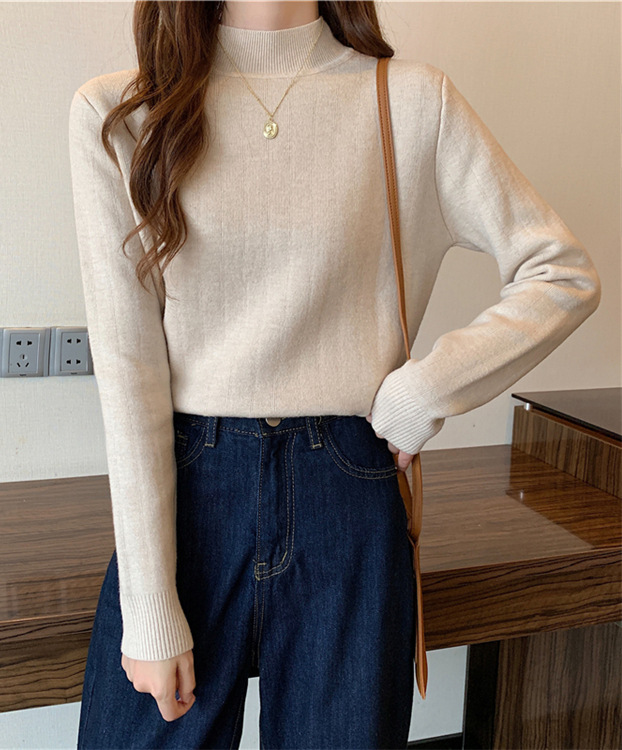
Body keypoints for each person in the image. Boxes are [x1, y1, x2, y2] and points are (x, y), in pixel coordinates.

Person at [68, 1, 602, 747]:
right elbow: (130, 372)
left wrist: (423, 391)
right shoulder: (123, 114)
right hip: (186, 494)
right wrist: (150, 605)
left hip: (347, 489)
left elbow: (561, 273)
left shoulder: (411, 101)